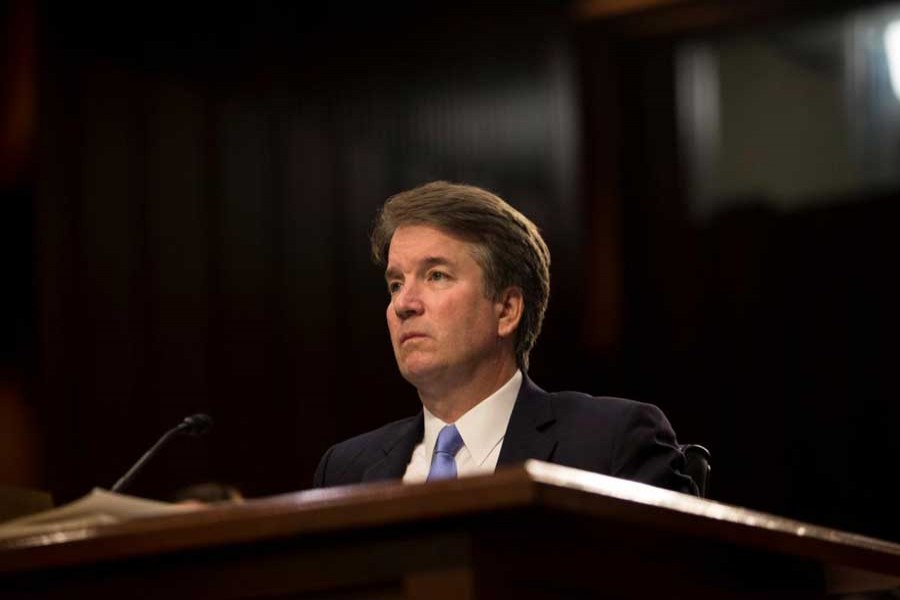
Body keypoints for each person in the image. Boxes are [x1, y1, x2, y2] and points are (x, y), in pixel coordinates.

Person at [313, 181, 697, 495]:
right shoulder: (346, 470)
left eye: (436, 276)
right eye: (396, 284)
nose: (403, 304)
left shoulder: (609, 443)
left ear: (507, 310)